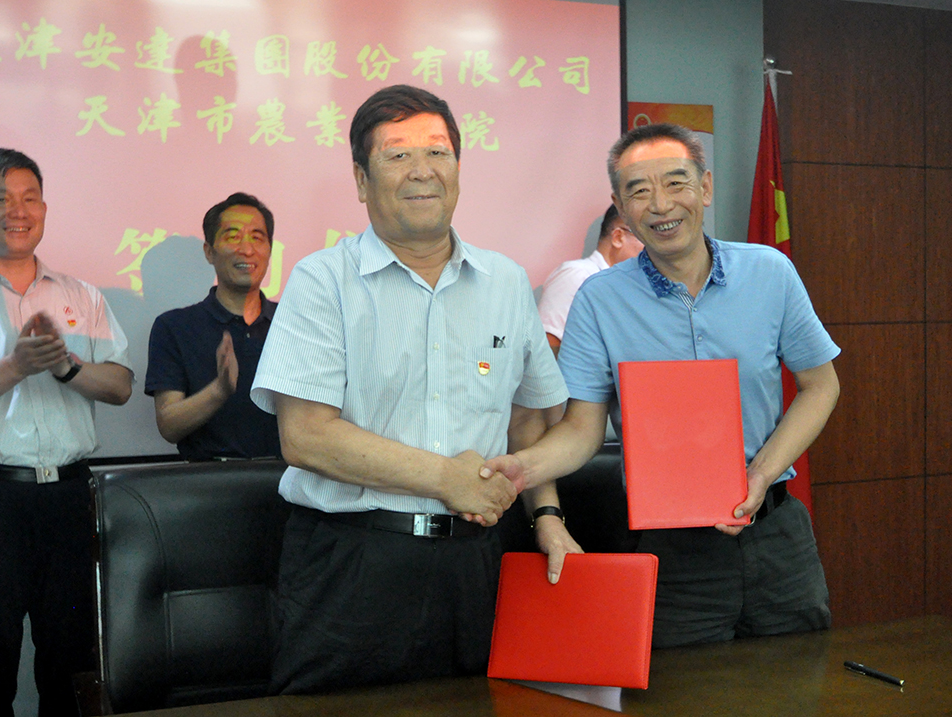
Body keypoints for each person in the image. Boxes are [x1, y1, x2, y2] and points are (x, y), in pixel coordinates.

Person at [250, 84, 579, 694]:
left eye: (438, 152)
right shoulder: (324, 280)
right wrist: (446, 478)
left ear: (458, 168)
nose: (422, 169)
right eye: (398, 154)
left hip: (477, 563)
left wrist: (548, 517)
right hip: (353, 564)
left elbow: (528, 426)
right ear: (361, 179)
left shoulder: (506, 282)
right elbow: (306, 437)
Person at [482, 123, 841, 648]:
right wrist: (524, 468)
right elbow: (582, 429)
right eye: (639, 190)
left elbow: (820, 386)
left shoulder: (770, 272)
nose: (661, 204)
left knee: (799, 677)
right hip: (671, 553)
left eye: (676, 183)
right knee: (680, 687)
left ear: (705, 188)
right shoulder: (599, 301)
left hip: (776, 538)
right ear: (620, 209)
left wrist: (761, 473)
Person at [0, 148, 133, 715]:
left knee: (72, 660)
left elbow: (119, 386)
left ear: (43, 208)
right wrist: (15, 366)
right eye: (0, 199)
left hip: (68, 498)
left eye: (29, 198)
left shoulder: (82, 295)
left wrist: (66, 368)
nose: (18, 211)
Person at [145, 192, 282, 461]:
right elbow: (168, 425)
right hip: (210, 479)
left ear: (269, 249)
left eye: (257, 238)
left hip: (286, 477)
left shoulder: (295, 322)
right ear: (209, 252)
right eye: (233, 237)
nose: (247, 249)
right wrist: (219, 390)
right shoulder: (174, 327)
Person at [538, 204, 643, 356]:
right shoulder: (578, 275)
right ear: (618, 237)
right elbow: (548, 347)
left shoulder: (635, 288)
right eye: (647, 238)